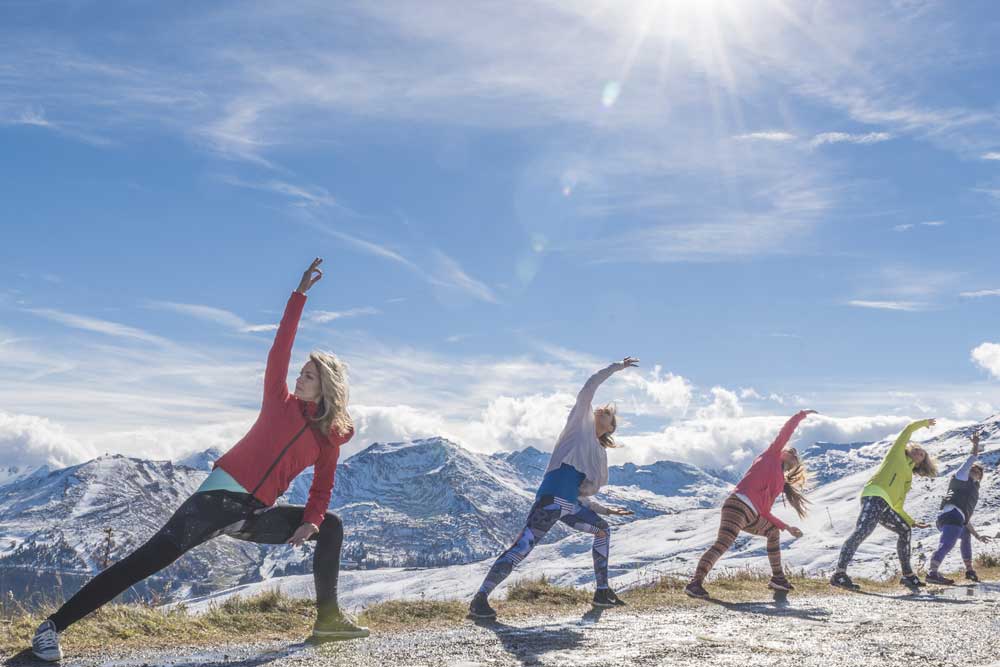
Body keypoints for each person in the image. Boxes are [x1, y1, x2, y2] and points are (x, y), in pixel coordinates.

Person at [32, 259, 364, 663]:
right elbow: (280, 347)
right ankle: (52, 626)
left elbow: (322, 487)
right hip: (216, 500)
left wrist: (311, 519)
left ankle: (327, 621)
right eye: (301, 372)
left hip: (255, 514)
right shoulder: (279, 402)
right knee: (145, 562)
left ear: (326, 387)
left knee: (330, 526)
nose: (299, 378)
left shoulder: (327, 436)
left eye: (308, 376)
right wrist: (299, 296)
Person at [468, 358, 639, 619]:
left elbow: (582, 493)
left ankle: (602, 592)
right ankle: (480, 598)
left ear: (611, 427)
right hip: (551, 501)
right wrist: (617, 367)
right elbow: (589, 388)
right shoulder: (578, 426)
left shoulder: (599, 454)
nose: (602, 410)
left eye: (609, 413)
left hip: (570, 506)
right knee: (521, 548)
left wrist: (606, 510)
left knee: (603, 530)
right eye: (602, 409)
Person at [684, 410, 815, 599]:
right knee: (722, 545)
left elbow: (765, 511)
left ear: (794, 465)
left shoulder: (779, 484)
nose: (792, 451)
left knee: (772, 532)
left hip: (752, 514)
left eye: (795, 454)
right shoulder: (770, 455)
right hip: (738, 506)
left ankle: (778, 579)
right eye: (791, 450)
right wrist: (800, 416)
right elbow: (785, 432)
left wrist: (786, 527)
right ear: (782, 453)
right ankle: (695, 583)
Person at [830, 418, 939, 591]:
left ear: (921, 462)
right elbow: (908, 429)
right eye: (917, 449)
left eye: (922, 454)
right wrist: (924, 423)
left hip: (885, 504)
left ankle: (908, 576)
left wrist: (910, 521)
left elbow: (898, 505)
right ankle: (839, 574)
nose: (919, 452)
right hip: (873, 496)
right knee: (862, 532)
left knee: (904, 530)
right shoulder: (896, 454)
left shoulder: (908, 478)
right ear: (909, 450)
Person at [926, 430, 990, 584]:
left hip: (956, 517)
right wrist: (975, 446)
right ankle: (932, 573)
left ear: (980, 478)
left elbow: (965, 519)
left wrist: (977, 535)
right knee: (947, 543)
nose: (975, 472)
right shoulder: (961, 476)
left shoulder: (972, 492)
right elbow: (971, 460)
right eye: (973, 470)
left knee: (965, 535)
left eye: (979, 472)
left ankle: (969, 570)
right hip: (951, 515)